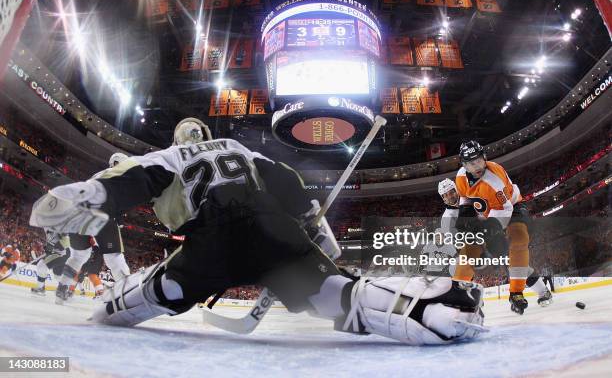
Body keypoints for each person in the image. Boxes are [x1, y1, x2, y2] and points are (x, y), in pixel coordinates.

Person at [29, 117, 485, 345]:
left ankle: (109, 309)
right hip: (276, 232)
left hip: (211, 241)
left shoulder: (168, 157)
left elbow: (128, 180)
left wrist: (80, 197)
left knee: (162, 289)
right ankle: (435, 308)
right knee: (337, 292)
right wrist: (313, 226)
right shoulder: (236, 147)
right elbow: (289, 182)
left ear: (178, 139)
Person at [451, 141, 552, 314]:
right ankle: (455, 298)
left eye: (479, 160)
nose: (477, 166)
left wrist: (488, 230)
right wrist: (465, 212)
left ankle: (516, 293)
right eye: (471, 163)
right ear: (464, 165)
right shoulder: (461, 177)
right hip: (485, 217)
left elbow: (505, 208)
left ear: (485, 158)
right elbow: (465, 197)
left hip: (511, 210)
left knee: (519, 240)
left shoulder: (494, 178)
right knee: (476, 255)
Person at [53, 153, 131, 304]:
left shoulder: (96, 175)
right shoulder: (120, 175)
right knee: (113, 257)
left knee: (78, 256)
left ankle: (62, 289)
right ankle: (127, 294)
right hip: (101, 215)